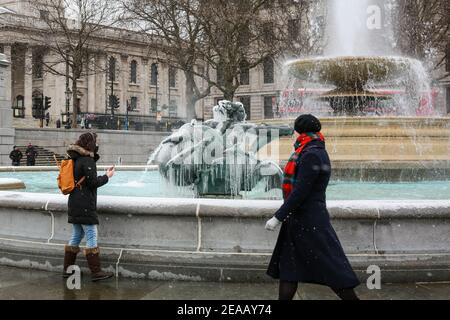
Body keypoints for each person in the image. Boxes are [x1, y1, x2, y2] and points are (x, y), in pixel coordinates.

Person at [265, 114, 360, 300]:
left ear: (299, 131)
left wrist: (278, 217)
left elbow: (300, 192)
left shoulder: (311, 153)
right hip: (300, 220)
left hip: (310, 221)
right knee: (289, 270)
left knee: (332, 269)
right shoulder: (311, 150)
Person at [63, 132, 116, 282]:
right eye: (95, 141)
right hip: (85, 204)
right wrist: (107, 176)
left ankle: (67, 271)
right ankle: (96, 272)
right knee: (91, 235)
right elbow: (93, 182)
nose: (96, 144)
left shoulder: (75, 158)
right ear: (90, 143)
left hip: (74, 201)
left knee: (77, 235)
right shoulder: (87, 160)